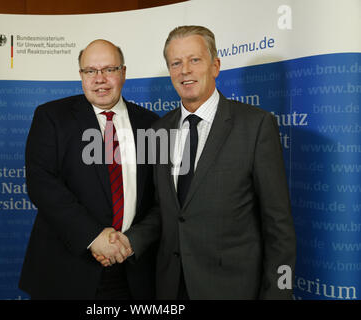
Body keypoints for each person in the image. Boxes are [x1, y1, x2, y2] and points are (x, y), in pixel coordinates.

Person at [98, 25, 296, 300]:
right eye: (176, 63)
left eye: (194, 60)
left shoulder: (256, 126)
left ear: (215, 65)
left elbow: (278, 226)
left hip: (232, 290)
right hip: (170, 287)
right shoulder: (159, 130)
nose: (185, 70)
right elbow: (164, 211)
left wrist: (278, 295)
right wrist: (130, 241)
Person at [19, 39, 159, 299]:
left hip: (132, 271)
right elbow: (41, 184)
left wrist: (129, 243)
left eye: (109, 69)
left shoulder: (152, 124)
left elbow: (161, 199)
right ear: (81, 75)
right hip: (67, 269)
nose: (100, 79)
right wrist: (94, 237)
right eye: (90, 71)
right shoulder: (51, 117)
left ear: (123, 73)